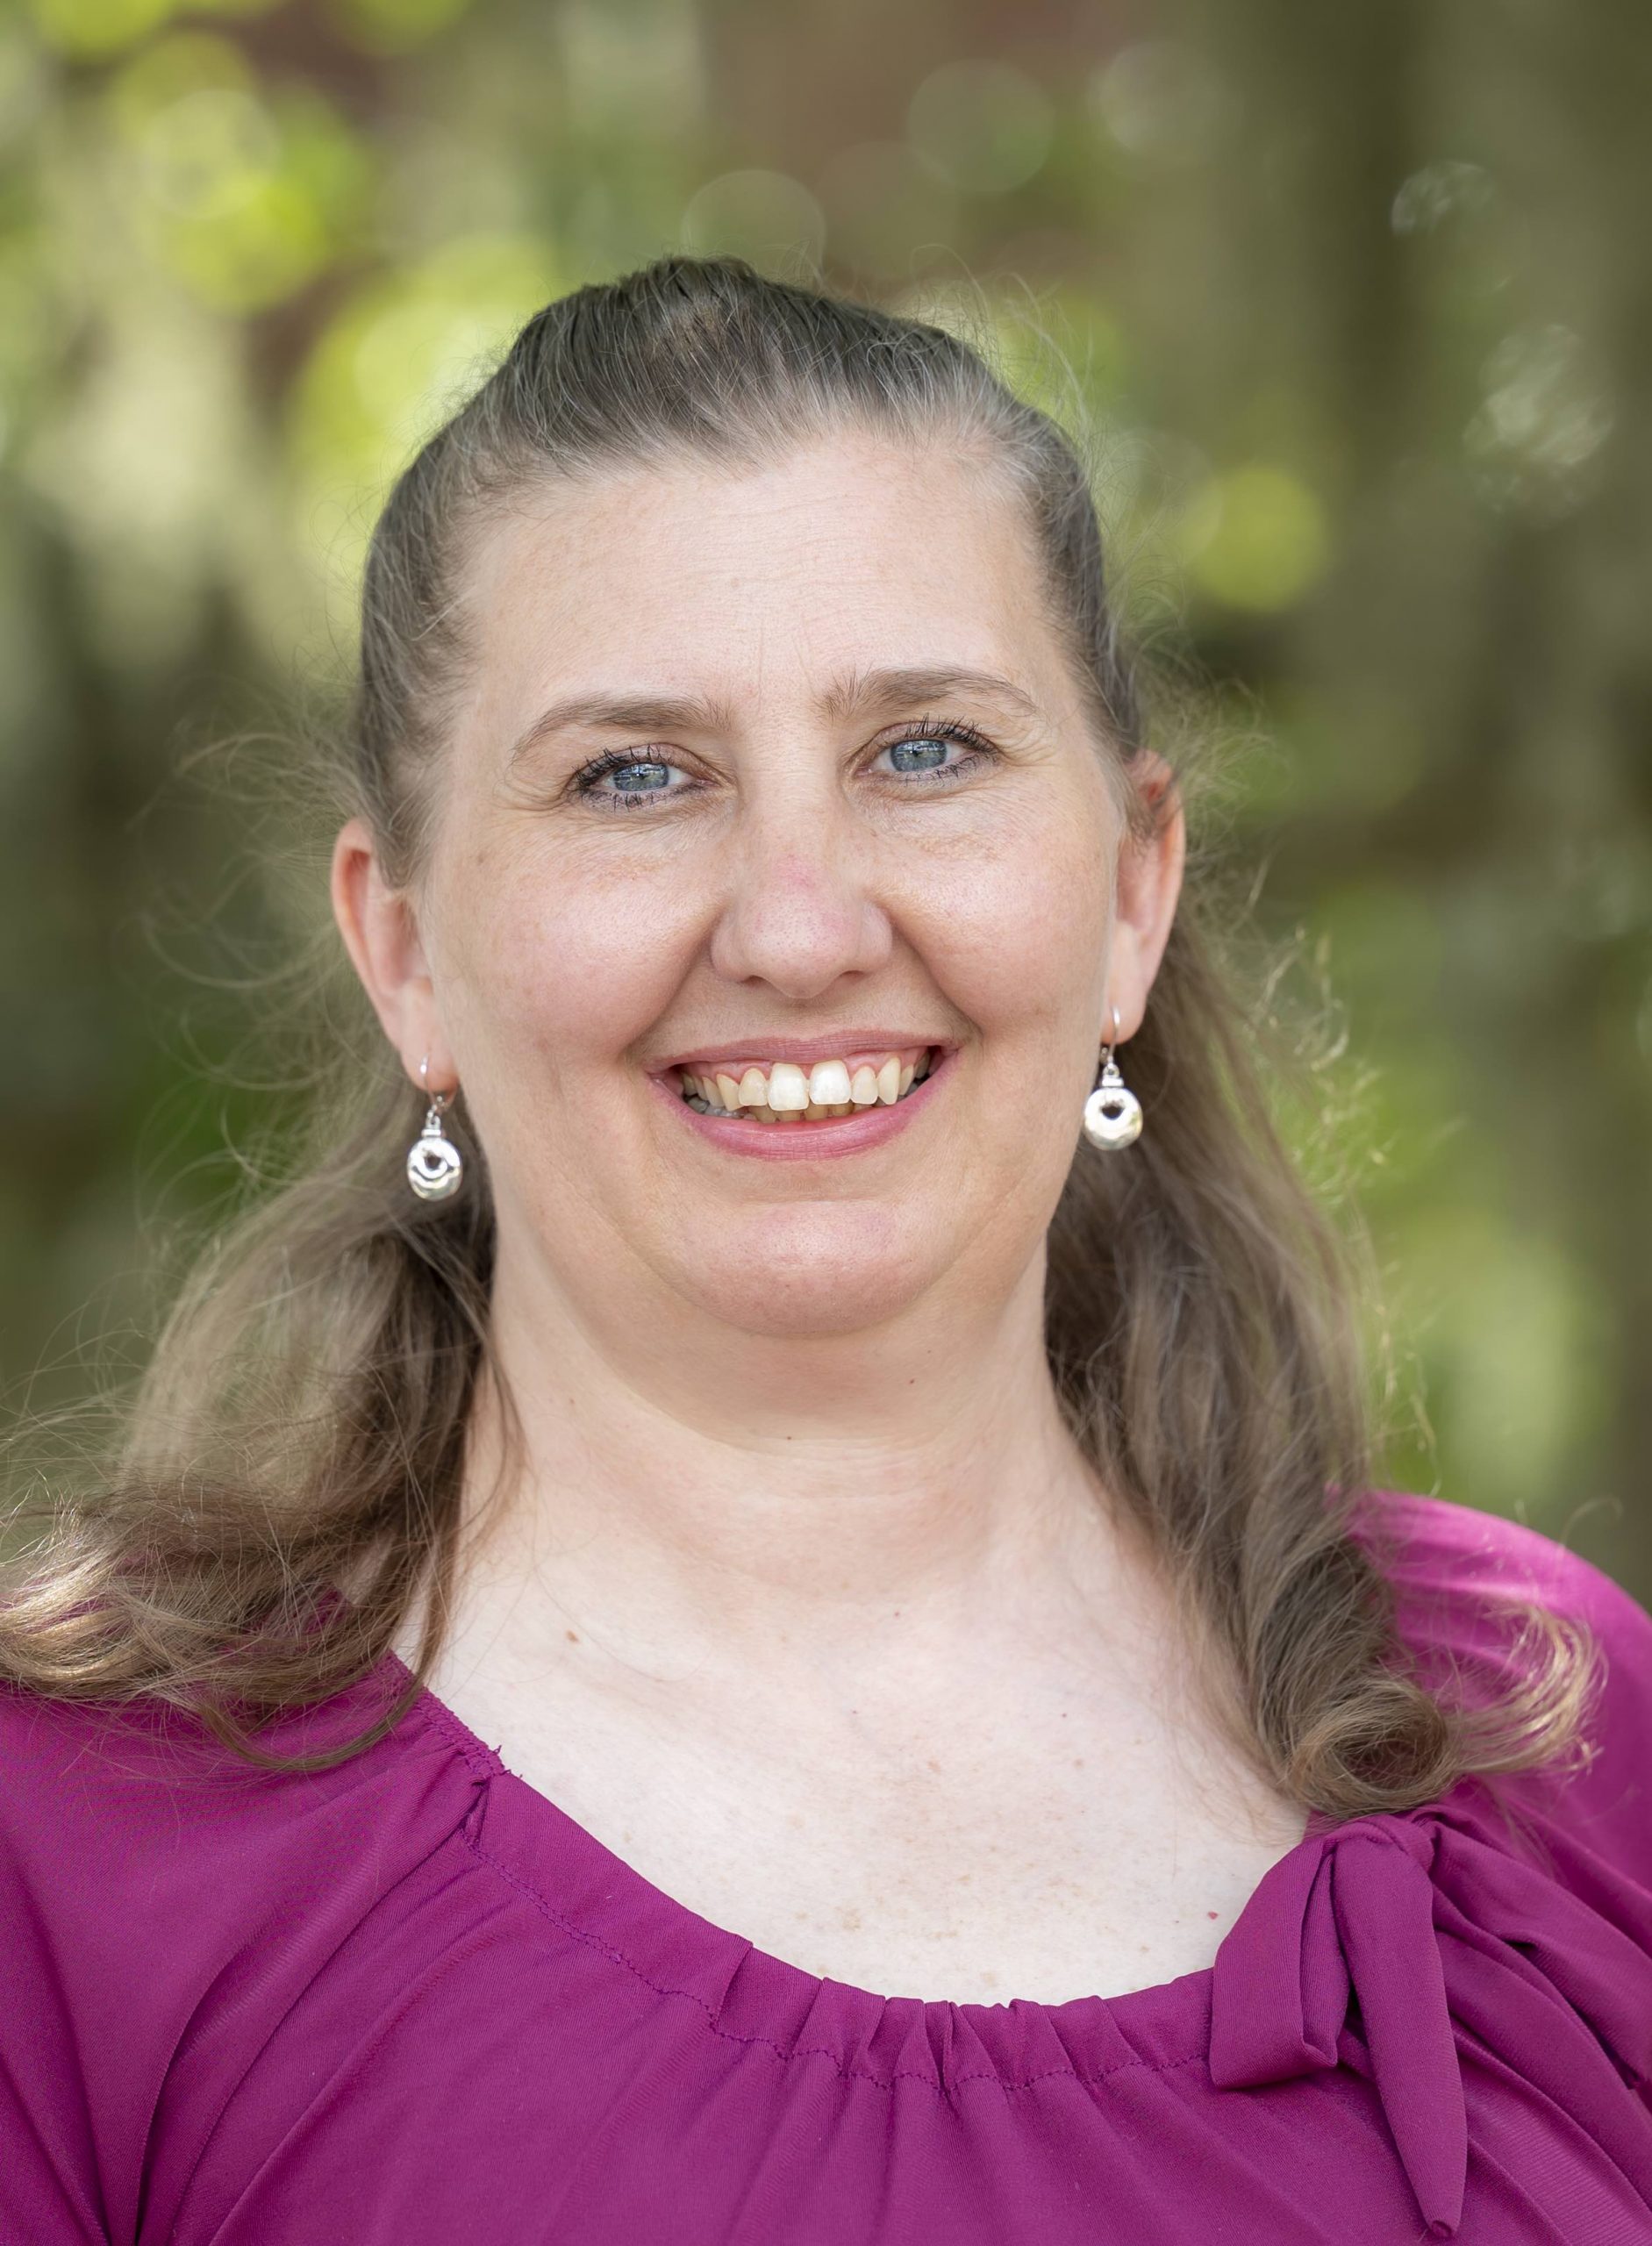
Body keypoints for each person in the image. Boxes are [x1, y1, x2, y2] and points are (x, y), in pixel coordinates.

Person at [1, 255, 1648, 2245]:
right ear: (404, 946)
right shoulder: (77, 1844)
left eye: (927, 750)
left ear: (1134, 889)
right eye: (635, 776)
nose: (799, 923)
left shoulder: (1554, 1719)